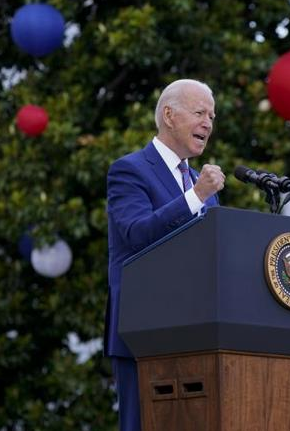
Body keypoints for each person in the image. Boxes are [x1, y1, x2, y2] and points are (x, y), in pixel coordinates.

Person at [105, 79, 225, 430]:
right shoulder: (129, 170)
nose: (208, 123)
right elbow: (137, 234)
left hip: (198, 333)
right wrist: (197, 196)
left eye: (212, 116)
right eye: (200, 112)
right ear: (169, 115)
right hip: (143, 330)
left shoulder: (202, 187)